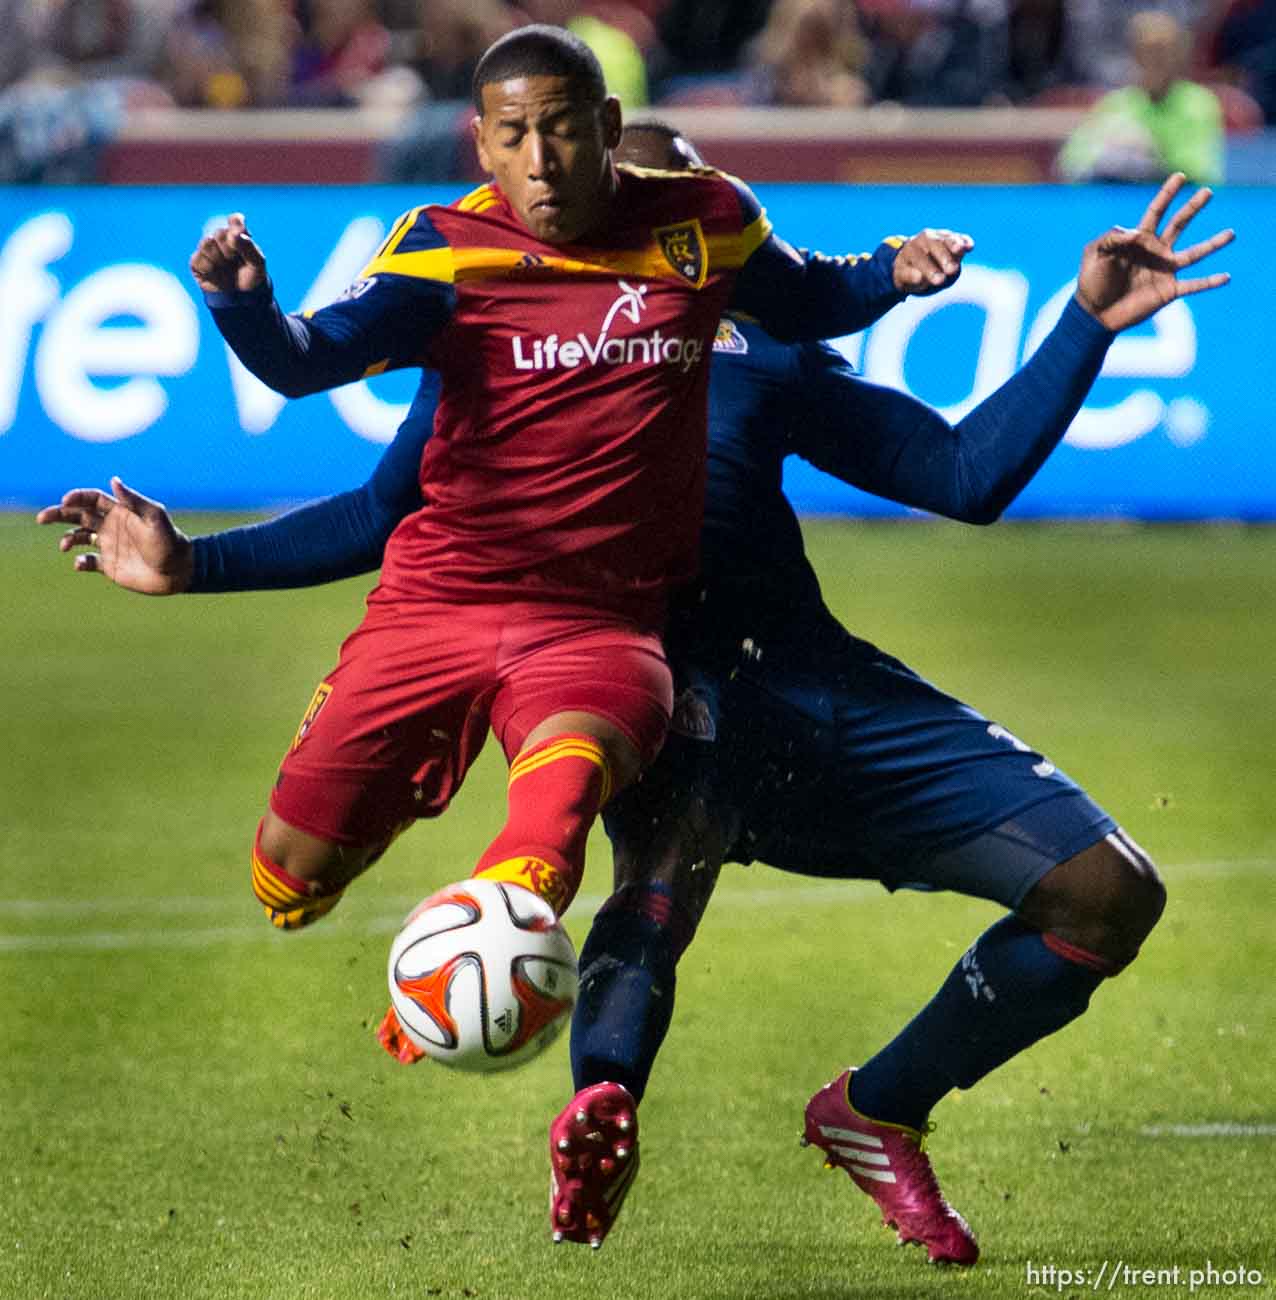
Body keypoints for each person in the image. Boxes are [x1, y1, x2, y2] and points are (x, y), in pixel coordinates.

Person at [39, 121, 1233, 1264]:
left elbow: (965, 475)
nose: (660, 227)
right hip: (648, 684)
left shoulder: (763, 353)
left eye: (683, 199)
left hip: (817, 683)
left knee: (1104, 893)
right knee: (652, 886)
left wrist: (1084, 321)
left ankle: (878, 1110)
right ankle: (603, 1103)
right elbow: (378, 511)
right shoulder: (508, 345)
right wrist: (197, 559)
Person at [1058, 10, 1225, 184]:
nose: (1154, 59)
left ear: (1179, 54)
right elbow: (1072, 161)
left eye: (1162, 51)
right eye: (1146, 50)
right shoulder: (1116, 103)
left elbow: (1201, 170)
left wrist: (1150, 155)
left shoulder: (1199, 102)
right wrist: (1109, 155)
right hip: (1122, 204)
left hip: (1177, 203)